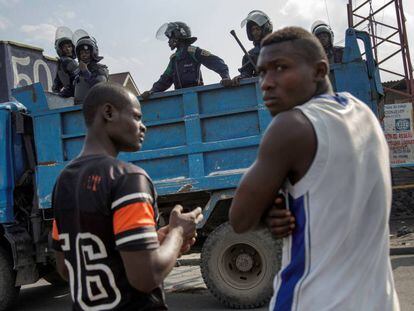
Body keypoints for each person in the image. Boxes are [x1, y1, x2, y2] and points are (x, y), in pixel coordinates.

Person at [229, 27, 400, 310]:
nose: (266, 83)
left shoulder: (290, 127)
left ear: (320, 71)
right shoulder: (363, 114)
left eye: (280, 68)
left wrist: (265, 209)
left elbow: (240, 218)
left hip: (314, 301)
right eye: (262, 72)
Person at [51, 82, 202, 310]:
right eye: (137, 117)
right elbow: (146, 277)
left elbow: (65, 269)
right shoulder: (128, 178)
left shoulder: (63, 181)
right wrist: (179, 232)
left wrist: (154, 240)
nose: (143, 127)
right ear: (109, 112)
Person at [141, 22, 231, 99]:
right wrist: (152, 91)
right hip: (181, 97)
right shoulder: (174, 59)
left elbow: (215, 61)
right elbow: (165, 78)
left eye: (170, 37)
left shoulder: (193, 51)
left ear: (178, 34)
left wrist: (225, 77)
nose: (169, 41)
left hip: (198, 96)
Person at [232, 10, 273, 85]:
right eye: (252, 30)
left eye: (257, 29)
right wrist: (241, 77)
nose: (254, 33)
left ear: (266, 29)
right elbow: (246, 74)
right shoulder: (250, 55)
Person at [72, 29, 109, 105]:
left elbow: (100, 88)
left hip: (95, 107)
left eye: (86, 52)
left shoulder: (101, 69)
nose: (83, 55)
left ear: (93, 52)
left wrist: (86, 72)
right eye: (81, 53)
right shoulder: (77, 72)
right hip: (78, 108)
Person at [52, 26, 78, 98]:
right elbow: (57, 82)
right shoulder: (63, 62)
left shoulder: (68, 61)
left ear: (73, 48)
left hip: (75, 93)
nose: (67, 49)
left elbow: (78, 77)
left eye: (69, 46)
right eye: (64, 47)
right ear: (61, 49)